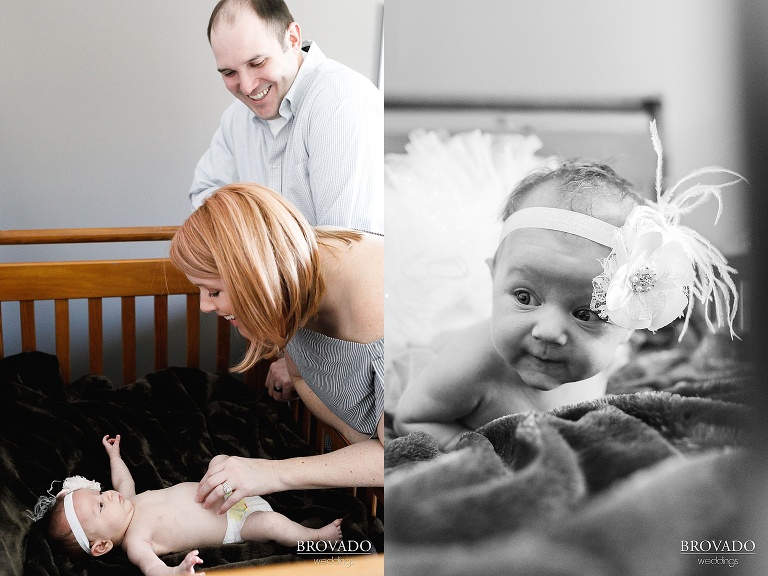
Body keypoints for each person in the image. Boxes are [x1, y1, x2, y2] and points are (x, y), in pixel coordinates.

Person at [394, 126, 740, 451]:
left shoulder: (604, 358)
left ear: (628, 326)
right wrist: (482, 450)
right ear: (493, 276)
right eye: (524, 297)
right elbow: (413, 418)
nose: (547, 332)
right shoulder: (470, 365)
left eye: (586, 313)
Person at [191, 0, 383, 402]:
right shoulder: (235, 121)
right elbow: (205, 201)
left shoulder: (341, 102)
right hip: (297, 329)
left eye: (256, 62)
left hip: (352, 332)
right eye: (228, 72)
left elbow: (342, 251)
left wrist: (291, 356)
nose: (246, 86)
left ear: (292, 38)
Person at [170, 182, 383, 513]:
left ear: (255, 277)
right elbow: (300, 372)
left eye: (213, 292)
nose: (205, 307)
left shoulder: (376, 307)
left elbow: (407, 456)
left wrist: (271, 473)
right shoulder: (295, 271)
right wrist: (358, 443)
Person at [29, 435, 342, 576]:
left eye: (99, 494)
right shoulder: (137, 543)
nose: (108, 496)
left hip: (227, 493)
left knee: (221, 461)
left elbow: (123, 482)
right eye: (100, 507)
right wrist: (178, 571)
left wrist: (114, 457)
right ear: (101, 546)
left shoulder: (130, 501)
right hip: (237, 524)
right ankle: (314, 538)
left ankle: (271, 474)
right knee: (273, 525)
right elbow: (153, 569)